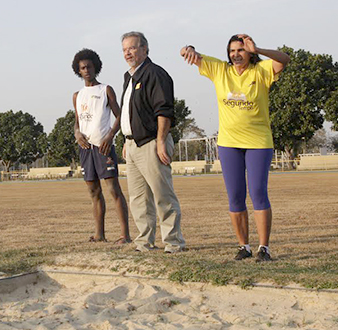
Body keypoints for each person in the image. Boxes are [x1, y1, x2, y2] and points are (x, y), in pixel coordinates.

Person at [180, 34, 290, 261]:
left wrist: (258, 48)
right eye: (232, 51)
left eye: (241, 50)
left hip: (258, 142)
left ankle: (264, 248)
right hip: (229, 144)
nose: (236, 55)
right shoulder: (220, 70)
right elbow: (185, 53)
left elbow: (284, 59)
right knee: (235, 197)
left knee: (258, 193)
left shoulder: (261, 71)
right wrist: (189, 48)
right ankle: (244, 247)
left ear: (250, 52)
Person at [120, 32, 186, 253]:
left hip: (151, 143)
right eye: (124, 49)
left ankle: (173, 242)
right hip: (132, 145)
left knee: (162, 194)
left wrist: (160, 141)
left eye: (132, 47)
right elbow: (129, 113)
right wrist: (125, 139)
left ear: (145, 48)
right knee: (138, 199)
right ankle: (144, 242)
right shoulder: (128, 77)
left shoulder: (155, 74)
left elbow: (163, 111)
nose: (128, 53)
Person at [71, 49, 131, 244]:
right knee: (93, 192)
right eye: (82, 68)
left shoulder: (105, 89)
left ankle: (125, 235)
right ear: (78, 71)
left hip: (103, 147)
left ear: (96, 67)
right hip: (85, 149)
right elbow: (77, 122)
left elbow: (120, 116)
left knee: (114, 190)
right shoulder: (77, 96)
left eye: (89, 66)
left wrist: (110, 135)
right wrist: (77, 133)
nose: (86, 70)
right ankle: (99, 234)